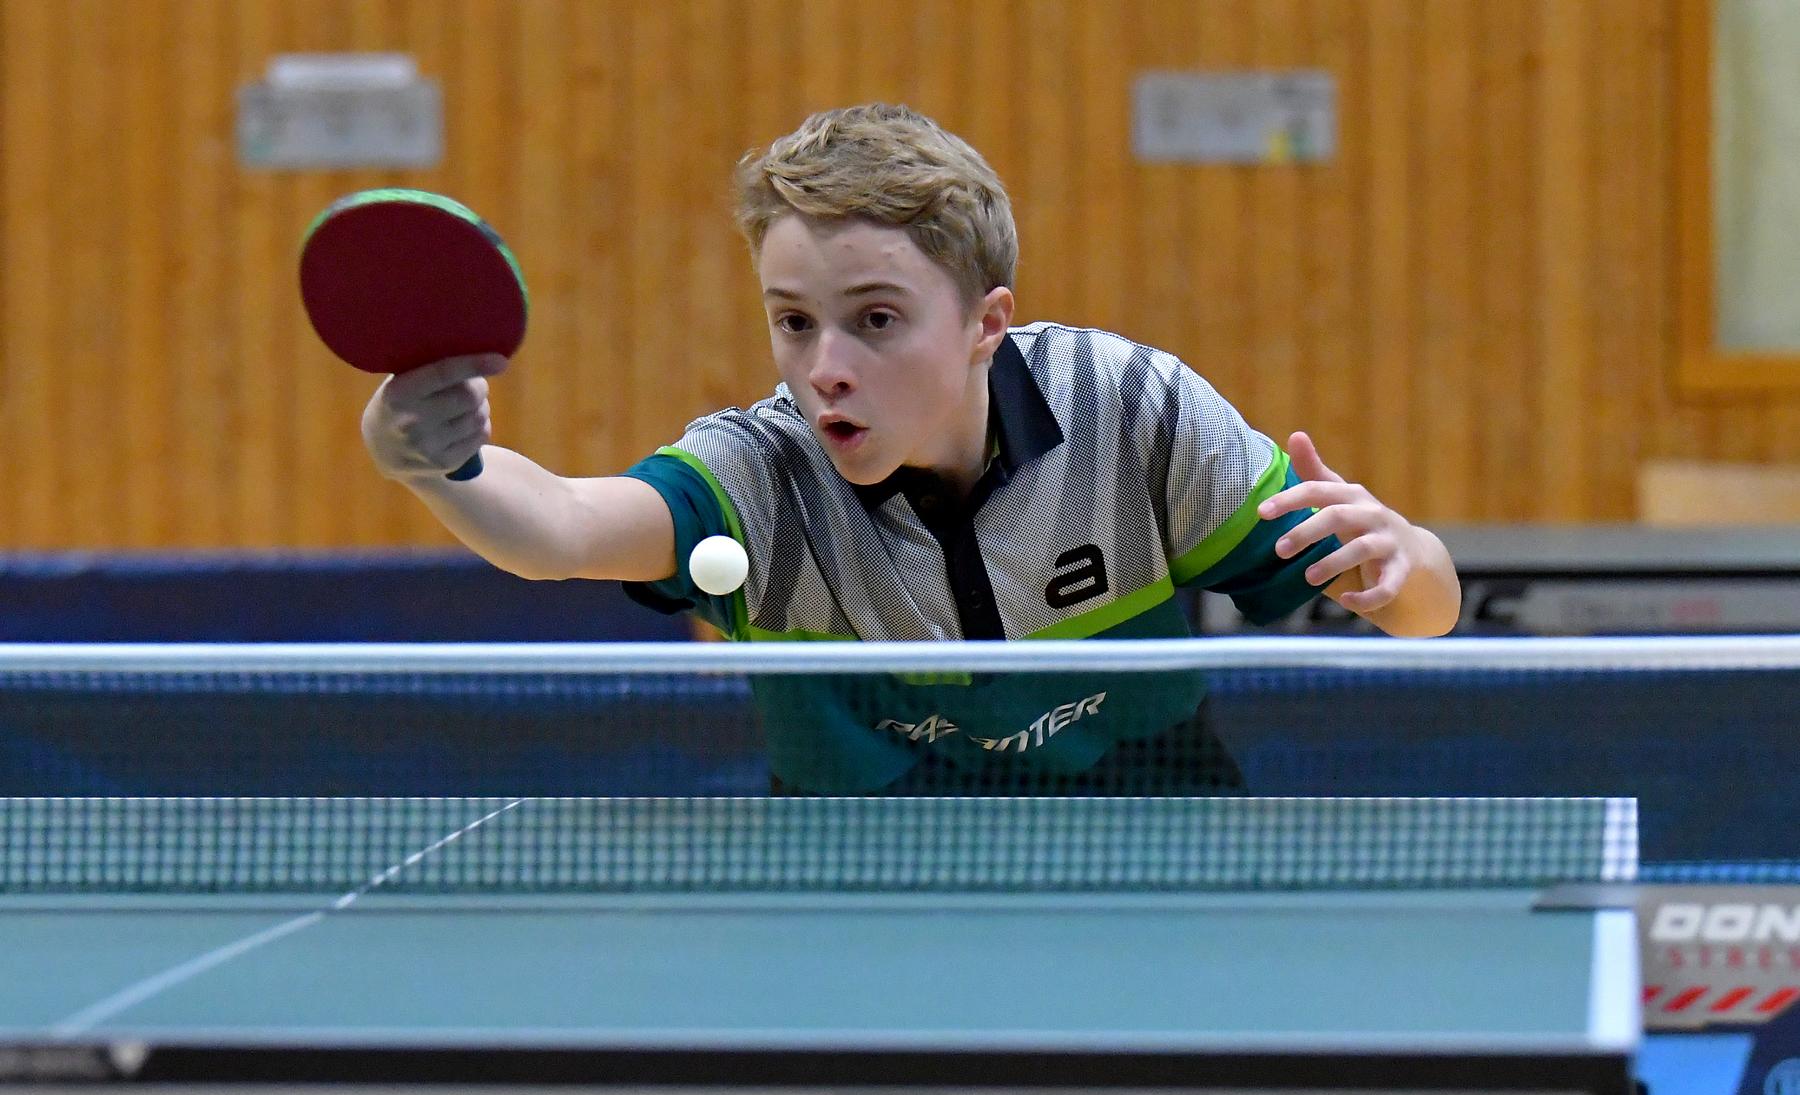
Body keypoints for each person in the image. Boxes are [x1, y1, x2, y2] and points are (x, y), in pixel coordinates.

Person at [361, 103, 1461, 796]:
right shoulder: (762, 478)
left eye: (876, 319)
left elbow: (1426, 611)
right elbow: (556, 528)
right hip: (860, 890)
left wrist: (1405, 560)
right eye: (794, 322)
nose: (825, 367)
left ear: (987, 323)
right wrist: (435, 462)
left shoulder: (1132, 412)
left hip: (1155, 861)